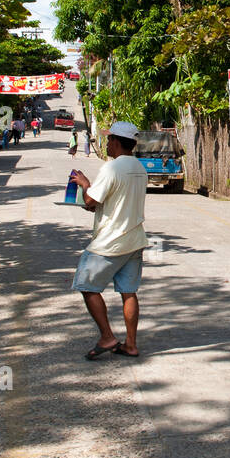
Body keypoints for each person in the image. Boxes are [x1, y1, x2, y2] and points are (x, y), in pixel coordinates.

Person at [70, 121, 147, 359]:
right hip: (134, 239)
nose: (106, 144)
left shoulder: (111, 168)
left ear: (115, 141)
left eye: (109, 139)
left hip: (110, 241)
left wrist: (85, 185)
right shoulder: (139, 168)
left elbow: (91, 200)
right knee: (128, 292)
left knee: (86, 284)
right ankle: (131, 344)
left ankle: (107, 336)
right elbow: (115, 200)